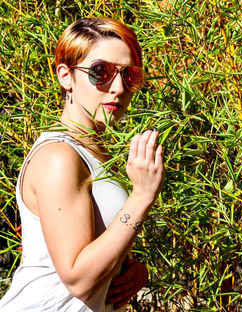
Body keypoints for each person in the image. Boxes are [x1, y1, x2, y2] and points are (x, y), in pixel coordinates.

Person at [0, 17, 164, 311]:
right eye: (101, 72)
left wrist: (129, 270)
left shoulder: (96, 150)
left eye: (129, 75)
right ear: (66, 76)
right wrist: (142, 196)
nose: (116, 87)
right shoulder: (59, 157)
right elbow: (79, 281)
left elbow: (89, 243)